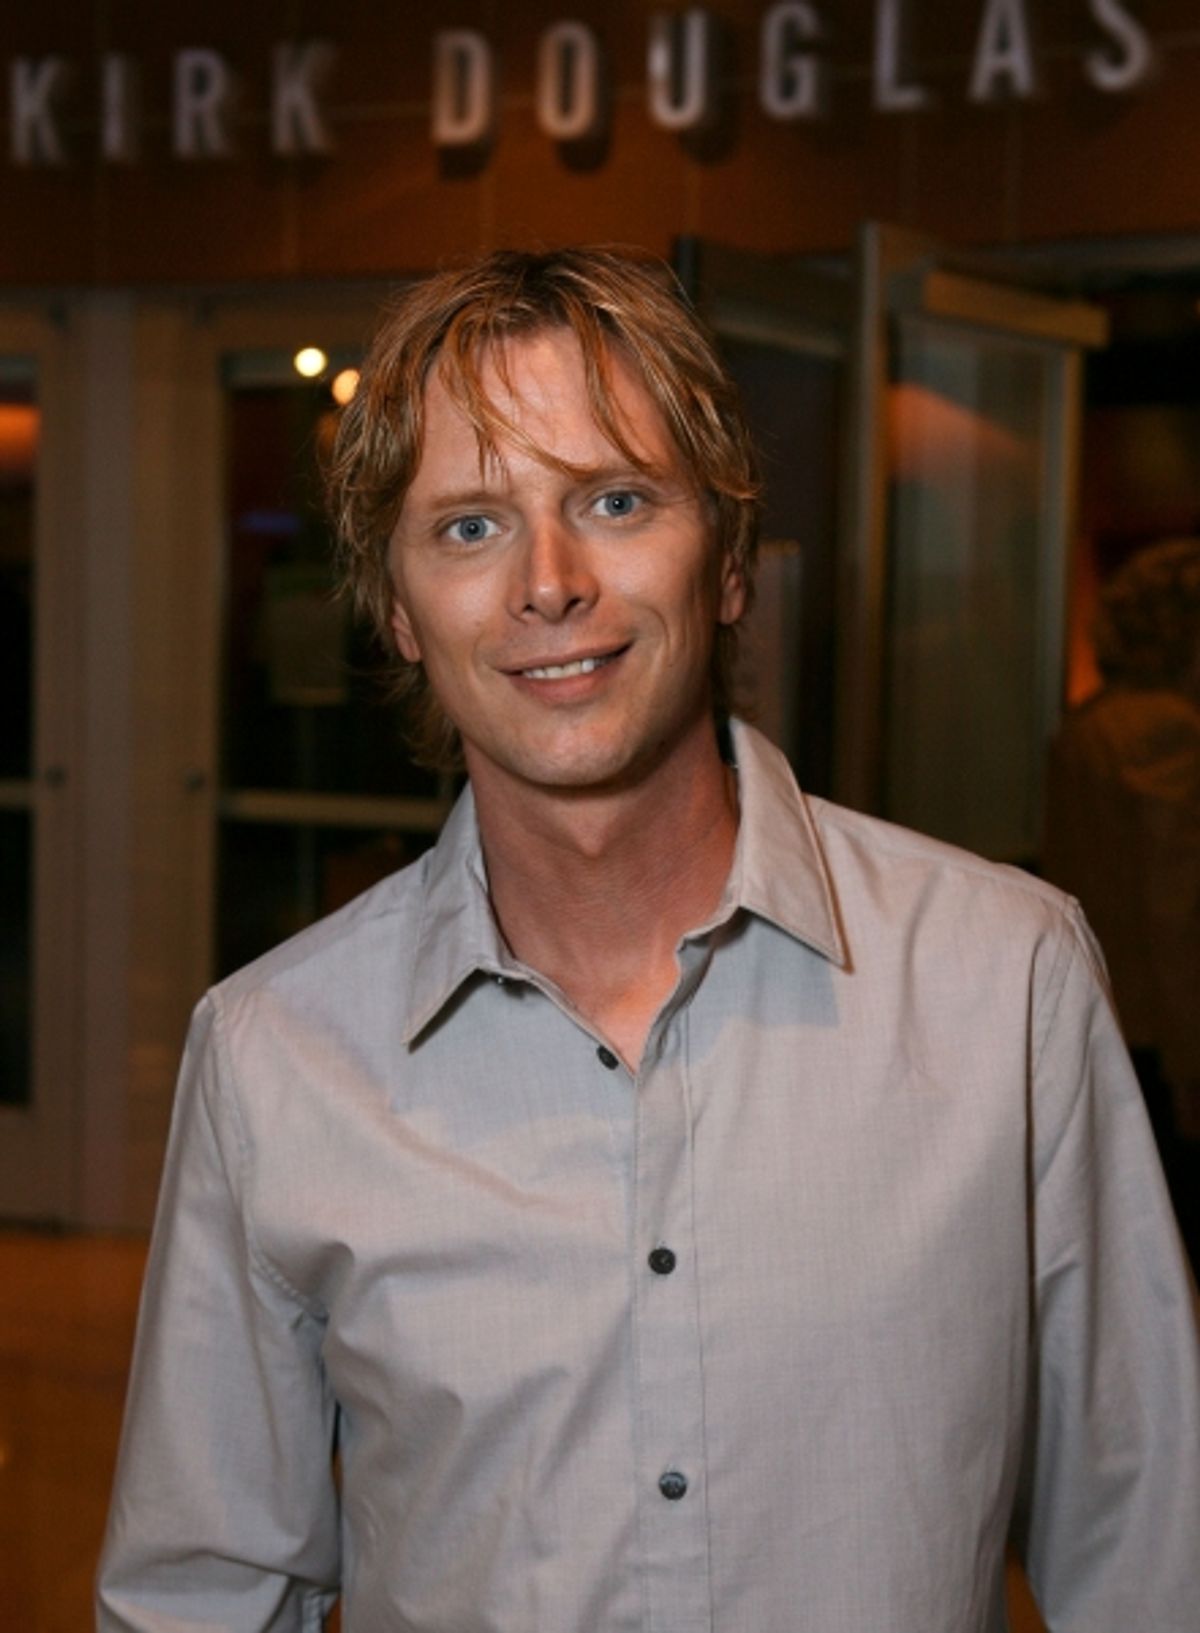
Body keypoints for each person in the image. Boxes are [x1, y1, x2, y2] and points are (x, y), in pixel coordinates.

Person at [97, 248, 1200, 1633]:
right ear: (398, 610)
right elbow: (200, 1598)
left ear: (730, 561)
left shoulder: (1006, 980)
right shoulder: (274, 1055)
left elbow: (1150, 1547)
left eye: (614, 501)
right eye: (470, 526)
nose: (549, 583)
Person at [1045, 538, 1200, 1265]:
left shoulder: (1090, 724)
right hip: (1157, 1031)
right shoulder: (1168, 732)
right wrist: (1192, 1059)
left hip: (1107, 1009)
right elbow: (1175, 909)